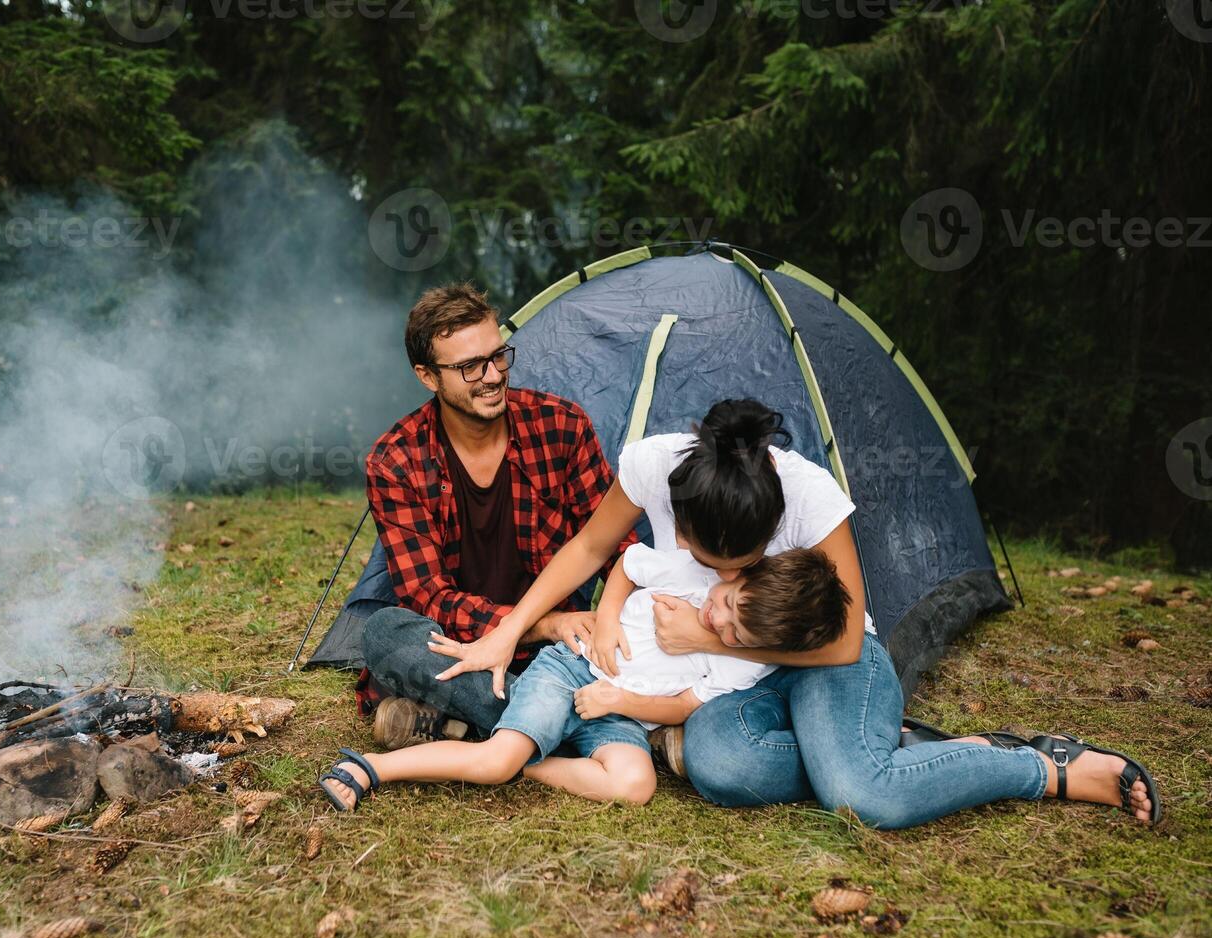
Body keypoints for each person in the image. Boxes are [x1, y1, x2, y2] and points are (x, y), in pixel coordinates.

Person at [425, 399, 1161, 829]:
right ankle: (903, 749)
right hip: (719, 685)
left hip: (820, 664)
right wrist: (510, 630)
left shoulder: (808, 495)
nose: (715, 573)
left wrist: (699, 635)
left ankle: (1039, 767)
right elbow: (591, 546)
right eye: (702, 554)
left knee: (862, 794)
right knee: (717, 766)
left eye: (734, 564)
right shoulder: (657, 464)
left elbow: (842, 641)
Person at [317, 544, 851, 811]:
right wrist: (610, 618)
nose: (718, 621)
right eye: (728, 604)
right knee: (496, 761)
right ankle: (374, 768)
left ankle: (523, 760)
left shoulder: (748, 660)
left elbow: (686, 704)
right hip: (571, 670)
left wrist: (622, 699)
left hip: (619, 709)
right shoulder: (692, 571)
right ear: (741, 575)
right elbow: (627, 566)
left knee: (636, 785)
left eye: (734, 632)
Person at [357, 283, 635, 749]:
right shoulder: (396, 461)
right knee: (385, 634)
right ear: (428, 377)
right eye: (469, 367)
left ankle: (471, 726)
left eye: (497, 356)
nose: (491, 376)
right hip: (467, 645)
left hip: (557, 651)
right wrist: (539, 624)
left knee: (633, 625)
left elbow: (615, 546)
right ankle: (575, 720)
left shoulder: (562, 426)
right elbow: (428, 597)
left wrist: (611, 618)